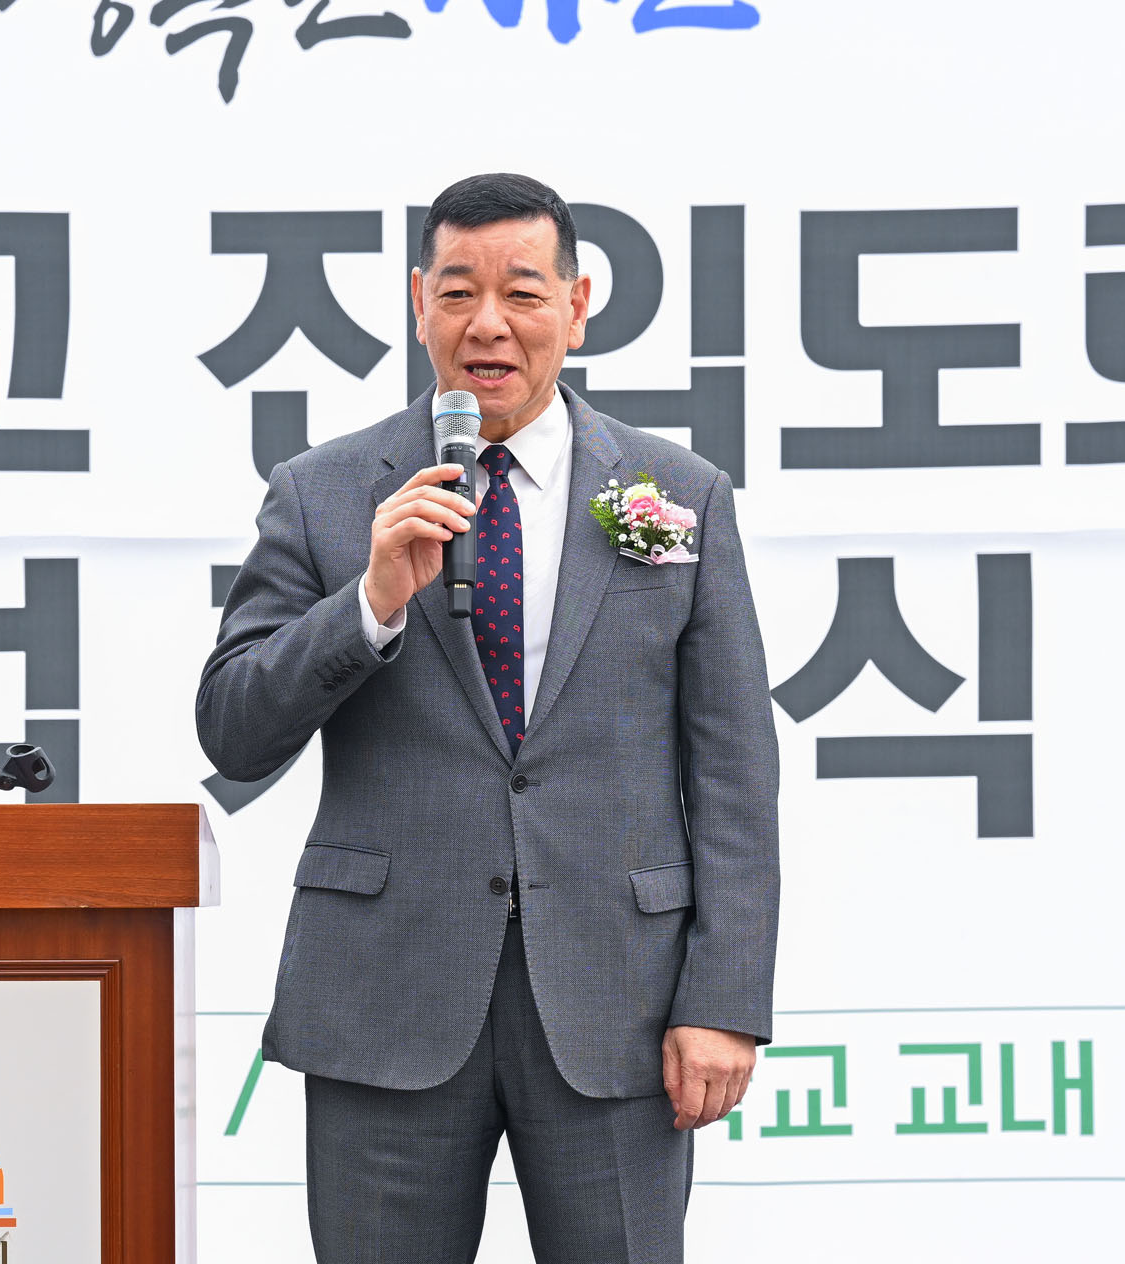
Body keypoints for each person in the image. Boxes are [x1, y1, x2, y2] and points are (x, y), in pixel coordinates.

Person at [196, 172, 779, 1263]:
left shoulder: (678, 492)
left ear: (577, 305)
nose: (489, 324)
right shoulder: (325, 492)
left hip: (618, 1002)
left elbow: (735, 771)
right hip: (386, 996)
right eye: (459, 292)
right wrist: (369, 603)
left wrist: (724, 997)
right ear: (420, 303)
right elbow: (232, 727)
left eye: (522, 291)